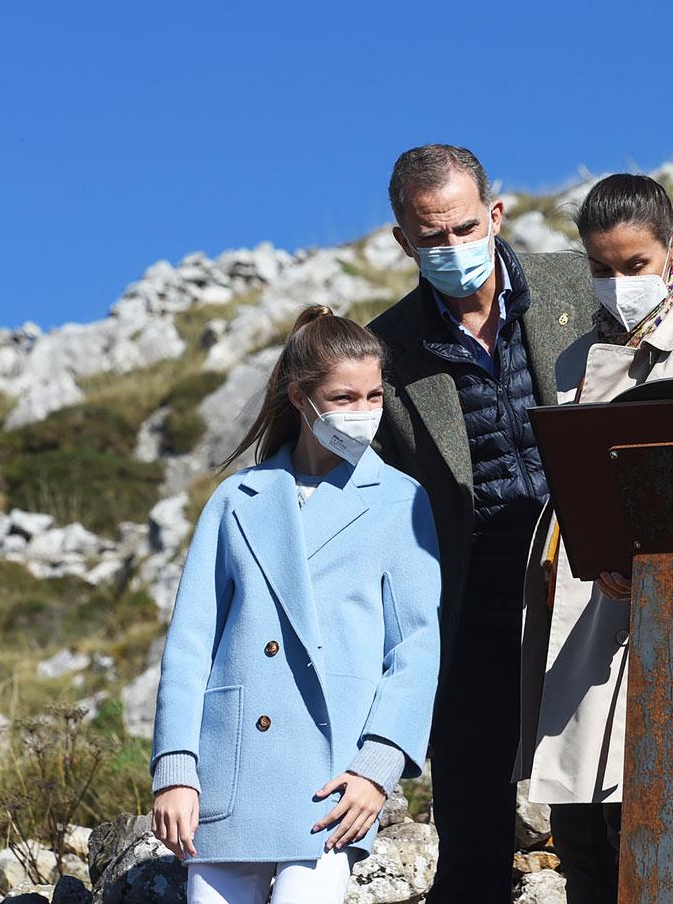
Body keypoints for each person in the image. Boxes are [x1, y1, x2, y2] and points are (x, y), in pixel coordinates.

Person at [149, 305, 441, 904]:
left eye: (372, 396)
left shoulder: (398, 499)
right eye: (343, 397)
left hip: (332, 779)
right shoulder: (237, 498)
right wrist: (175, 770)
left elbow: (416, 647)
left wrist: (378, 767)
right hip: (230, 767)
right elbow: (190, 643)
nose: (363, 413)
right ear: (300, 398)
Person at [367, 144, 593, 903]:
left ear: (495, 215)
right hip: (471, 605)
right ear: (404, 240)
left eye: (466, 227)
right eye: (432, 237)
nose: (454, 248)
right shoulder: (387, 351)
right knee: (470, 825)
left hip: (591, 589)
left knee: (596, 820)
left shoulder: (579, 282)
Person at [516, 173, 673, 903]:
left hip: (656, 619)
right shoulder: (574, 355)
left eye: (635, 265)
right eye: (601, 269)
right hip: (578, 604)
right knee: (581, 832)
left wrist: (632, 553)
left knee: (637, 827)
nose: (618, 283)